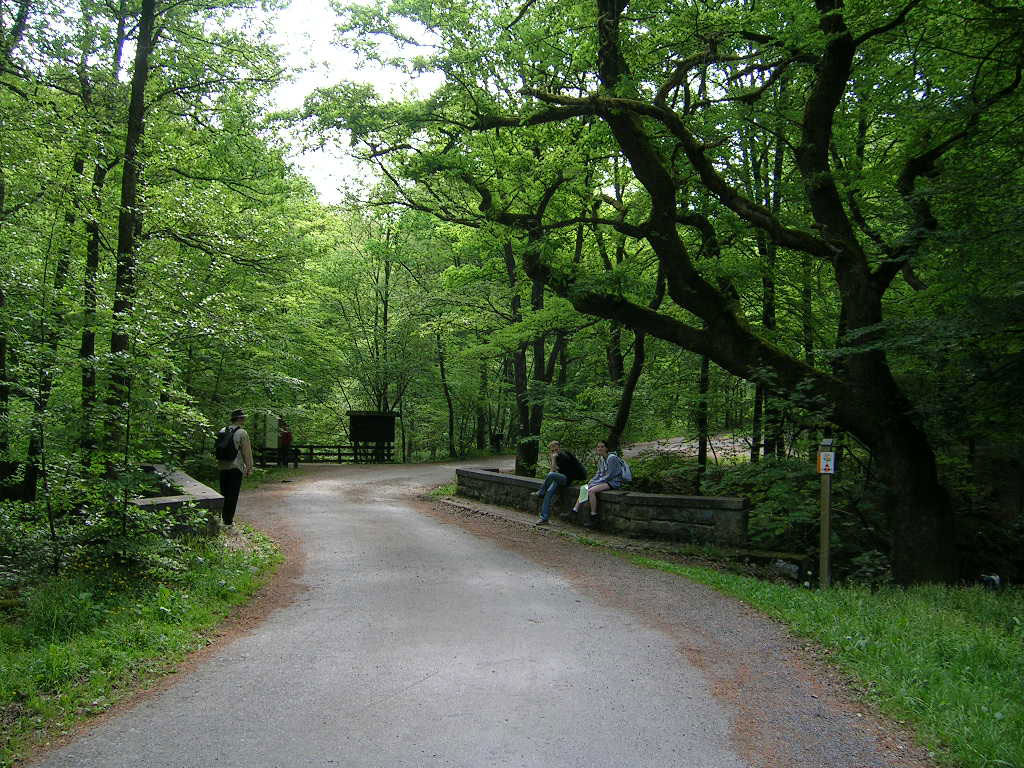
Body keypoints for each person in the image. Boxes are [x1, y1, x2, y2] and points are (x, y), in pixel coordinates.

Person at [571, 440, 625, 527]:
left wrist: (595, 482)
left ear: (606, 448)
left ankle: (593, 515)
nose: (599, 448)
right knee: (584, 487)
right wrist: (591, 481)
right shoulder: (601, 459)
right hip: (604, 481)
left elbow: (609, 475)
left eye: (602, 447)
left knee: (591, 491)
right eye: (598, 447)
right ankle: (575, 510)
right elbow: (599, 473)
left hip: (613, 482)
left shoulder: (612, 458)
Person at [216, 409, 253, 531]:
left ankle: (221, 518)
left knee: (223, 493)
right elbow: (246, 452)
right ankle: (228, 521)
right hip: (235, 467)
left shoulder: (222, 430)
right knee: (232, 494)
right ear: (239, 419)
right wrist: (249, 467)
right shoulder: (242, 432)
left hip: (222, 466)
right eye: (243, 417)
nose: (244, 419)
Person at [532, 441, 585, 526]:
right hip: (559, 478)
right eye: (552, 451)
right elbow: (554, 470)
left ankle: (541, 491)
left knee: (551, 475)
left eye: (555, 450)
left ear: (559, 448)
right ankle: (544, 518)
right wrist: (553, 459)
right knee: (548, 493)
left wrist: (553, 459)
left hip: (567, 479)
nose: (554, 452)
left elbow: (553, 471)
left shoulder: (564, 455)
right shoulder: (557, 456)